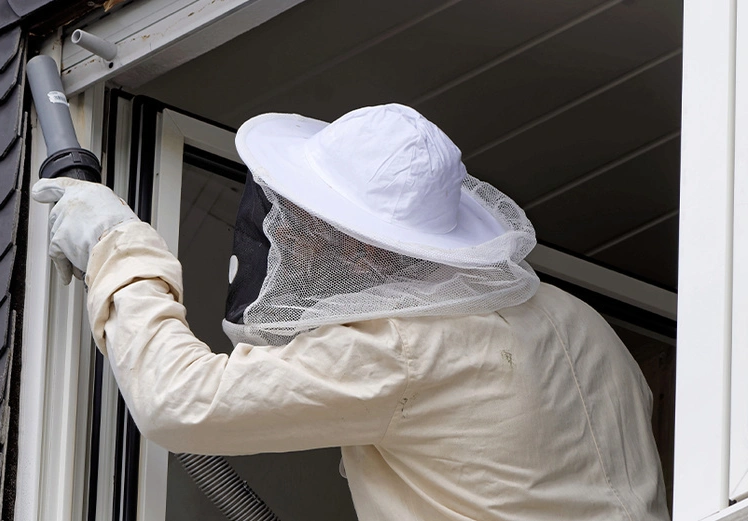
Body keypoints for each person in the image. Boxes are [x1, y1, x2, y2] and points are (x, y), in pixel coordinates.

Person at [32, 104, 669, 520]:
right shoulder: (580, 321)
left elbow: (179, 401)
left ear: (358, 249)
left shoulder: (400, 346)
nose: (290, 240)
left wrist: (116, 245)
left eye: (306, 226)